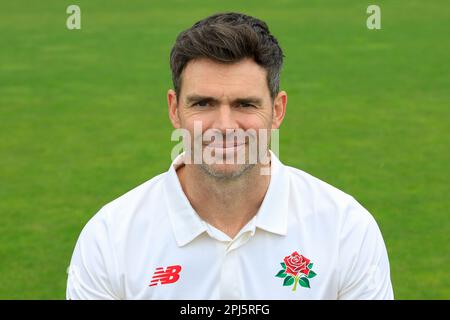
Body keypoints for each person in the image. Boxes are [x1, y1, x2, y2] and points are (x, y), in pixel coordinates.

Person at [66, 12, 394, 300]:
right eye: (203, 103)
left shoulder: (345, 229)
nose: (224, 127)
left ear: (277, 110)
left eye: (245, 104)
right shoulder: (110, 237)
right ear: (174, 110)